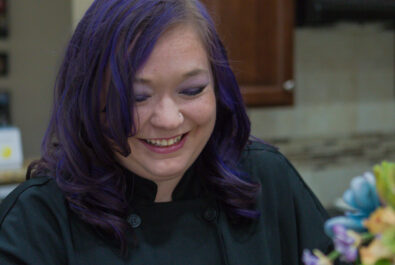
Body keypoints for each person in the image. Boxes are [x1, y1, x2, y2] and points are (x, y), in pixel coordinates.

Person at [0, 0, 337, 264]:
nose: (168, 119)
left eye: (191, 90)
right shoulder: (35, 223)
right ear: (89, 99)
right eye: (136, 97)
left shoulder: (267, 180)